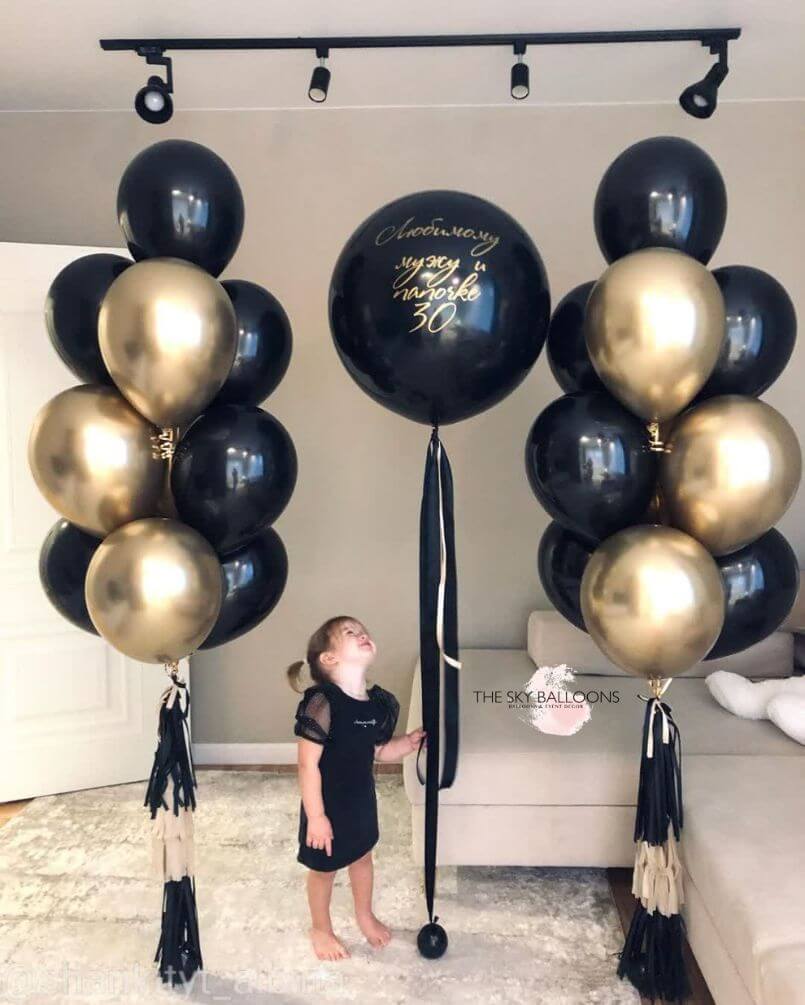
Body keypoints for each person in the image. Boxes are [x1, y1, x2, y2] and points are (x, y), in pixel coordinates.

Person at [287, 615, 426, 961]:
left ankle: (364, 914)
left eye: (364, 631)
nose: (362, 634)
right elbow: (308, 764)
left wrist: (407, 743)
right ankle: (320, 928)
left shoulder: (377, 705)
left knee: (363, 858)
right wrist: (316, 817)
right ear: (329, 658)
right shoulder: (322, 703)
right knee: (324, 871)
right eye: (351, 633)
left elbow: (378, 751)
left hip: (360, 801)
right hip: (326, 806)